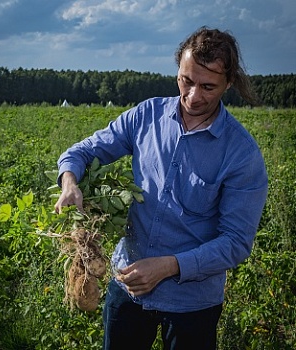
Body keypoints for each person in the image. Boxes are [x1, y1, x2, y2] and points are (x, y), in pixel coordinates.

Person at [54, 26, 268, 350]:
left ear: (229, 83)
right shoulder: (146, 116)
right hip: (126, 288)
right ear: (178, 70)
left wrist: (169, 266)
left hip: (192, 305)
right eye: (187, 80)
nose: (194, 96)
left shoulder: (241, 154)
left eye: (208, 86)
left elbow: (236, 243)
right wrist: (69, 181)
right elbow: (80, 153)